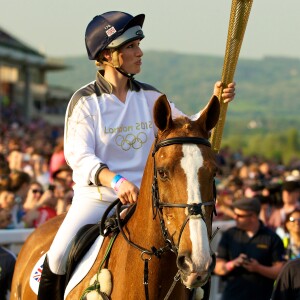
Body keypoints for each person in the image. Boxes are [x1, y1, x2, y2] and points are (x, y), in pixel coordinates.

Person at [37, 11, 236, 300]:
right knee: (56, 258)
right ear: (107, 55)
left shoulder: (151, 97)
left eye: (138, 45)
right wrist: (117, 181)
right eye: (130, 46)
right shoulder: (85, 102)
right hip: (98, 199)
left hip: (149, 200)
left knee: (194, 267)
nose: (139, 52)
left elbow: (186, 129)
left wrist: (215, 100)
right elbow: (79, 156)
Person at [214, 197, 285, 300]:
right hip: (231, 296)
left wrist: (258, 268)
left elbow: (280, 271)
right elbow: (217, 268)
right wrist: (233, 264)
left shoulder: (272, 238)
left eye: (239, 215)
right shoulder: (229, 235)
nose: (235, 218)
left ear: (253, 217)